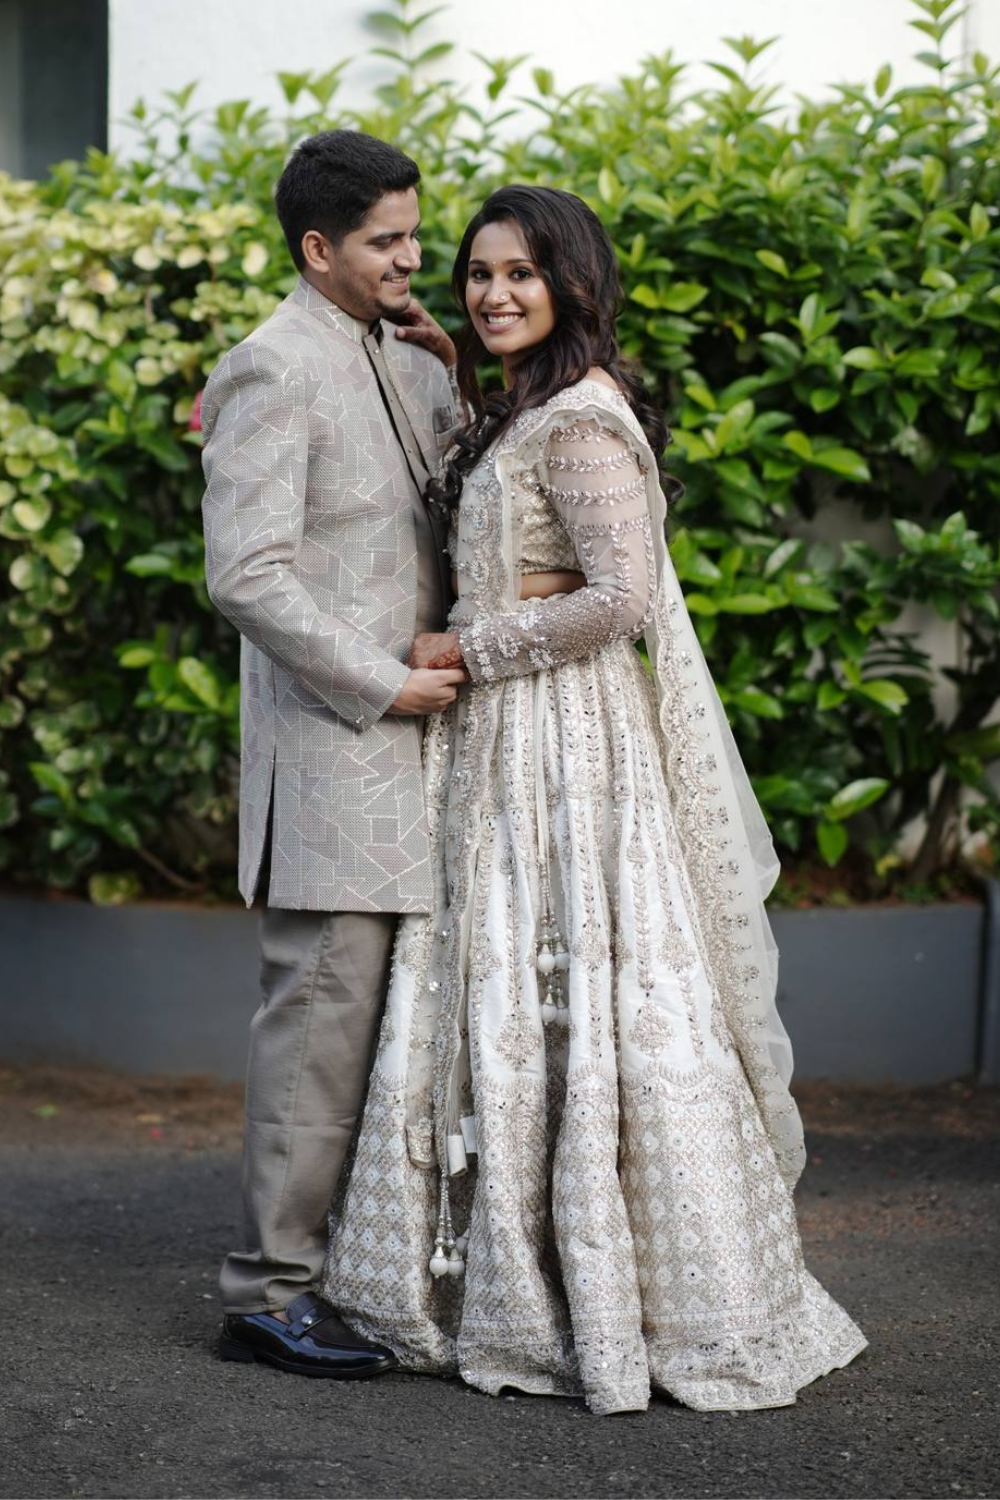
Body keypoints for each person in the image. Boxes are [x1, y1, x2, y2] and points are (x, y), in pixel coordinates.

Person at [321, 185, 868, 1414]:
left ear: (571, 281)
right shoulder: (530, 409)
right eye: (475, 274)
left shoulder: (581, 422)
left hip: (562, 743)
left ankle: (615, 1295)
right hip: (507, 742)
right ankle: (513, 1275)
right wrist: (454, 367)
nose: (492, 292)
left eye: (519, 274)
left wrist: (470, 648)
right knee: (509, 989)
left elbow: (617, 598)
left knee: (581, 995)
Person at [200, 129, 465, 1378]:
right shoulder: (269, 367)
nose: (417, 259)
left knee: (388, 1036)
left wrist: (452, 371)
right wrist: (383, 683)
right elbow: (244, 574)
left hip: (425, 753)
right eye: (387, 243)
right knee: (319, 1030)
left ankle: (353, 1273)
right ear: (318, 250)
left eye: (416, 233)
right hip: (333, 757)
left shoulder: (407, 358)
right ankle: (266, 1293)